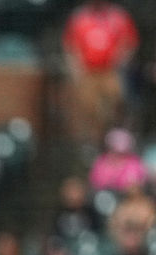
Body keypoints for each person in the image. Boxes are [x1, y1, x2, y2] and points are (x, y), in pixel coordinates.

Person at [62, 0, 139, 147]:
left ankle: (116, 137)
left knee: (117, 100)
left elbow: (129, 42)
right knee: (88, 107)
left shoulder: (119, 16)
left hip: (110, 71)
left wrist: (121, 62)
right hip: (88, 72)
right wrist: (75, 68)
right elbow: (70, 45)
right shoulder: (80, 17)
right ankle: (94, 141)